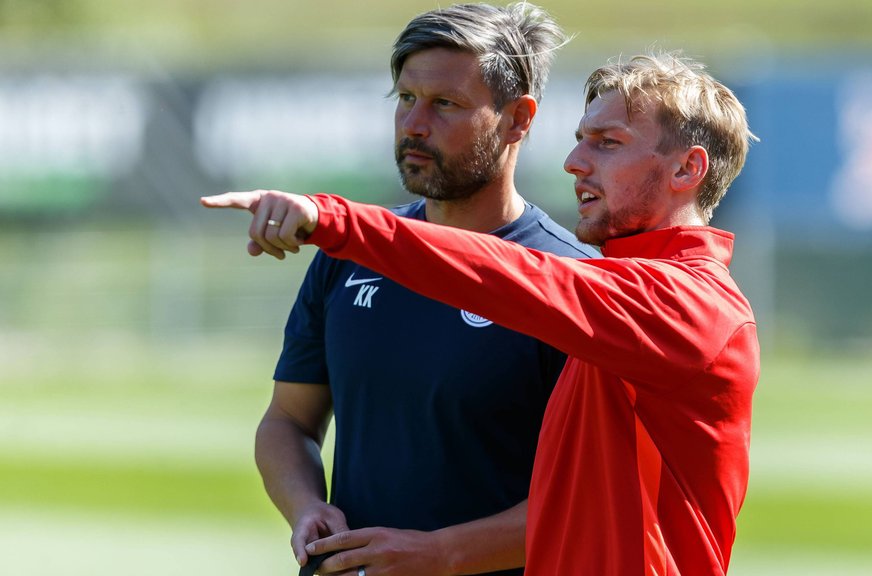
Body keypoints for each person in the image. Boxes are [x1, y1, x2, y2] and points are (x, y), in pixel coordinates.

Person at [204, 51, 759, 575]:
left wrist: (335, 222)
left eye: (607, 143)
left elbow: (511, 274)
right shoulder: (624, 286)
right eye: (579, 140)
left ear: (687, 170)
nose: (573, 162)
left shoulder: (686, 303)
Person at [228, 3, 599, 576]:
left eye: (445, 104)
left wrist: (437, 557)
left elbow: (588, 501)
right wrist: (305, 508)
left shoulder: (572, 280)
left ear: (517, 119)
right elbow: (288, 422)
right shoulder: (347, 256)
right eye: (405, 99)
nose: (414, 125)